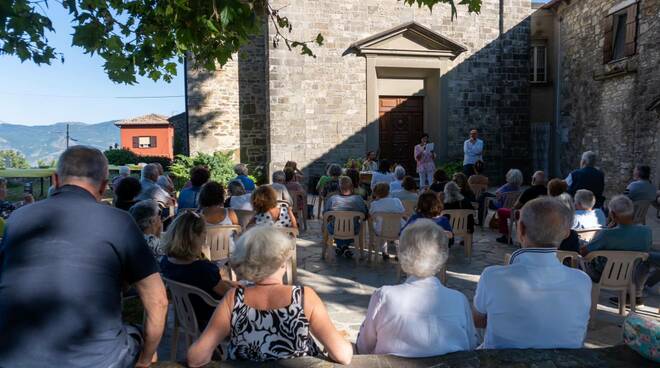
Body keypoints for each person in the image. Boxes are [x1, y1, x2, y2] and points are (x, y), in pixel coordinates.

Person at [0, 146, 167, 367]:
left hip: (15, 356)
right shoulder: (119, 221)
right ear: (105, 186)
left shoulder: (17, 219)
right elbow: (158, 301)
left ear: (56, 180)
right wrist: (145, 360)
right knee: (140, 341)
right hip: (96, 360)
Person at [187, 226, 353, 365]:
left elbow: (196, 358)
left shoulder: (234, 298)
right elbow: (343, 355)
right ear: (282, 261)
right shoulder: (303, 297)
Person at [474, 197, 592, 349]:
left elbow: (478, 320)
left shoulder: (492, 276)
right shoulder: (582, 281)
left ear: (521, 229)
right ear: (566, 233)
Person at [357, 219, 477, 357]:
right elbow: (471, 345)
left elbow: (364, 347)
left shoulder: (384, 296)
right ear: (442, 257)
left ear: (402, 255)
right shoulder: (459, 300)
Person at [160, 212, 239, 330]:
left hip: (185, 315)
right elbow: (229, 294)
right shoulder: (203, 269)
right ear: (194, 237)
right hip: (211, 320)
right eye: (204, 233)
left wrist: (233, 284)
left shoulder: (166, 262)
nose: (204, 238)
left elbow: (215, 284)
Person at [580, 195, 652, 306]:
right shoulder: (646, 232)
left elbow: (584, 252)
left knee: (578, 260)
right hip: (631, 275)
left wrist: (607, 229)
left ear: (613, 215)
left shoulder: (607, 235)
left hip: (602, 275)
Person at [495, 171, 546, 244]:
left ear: (534, 180)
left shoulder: (529, 191)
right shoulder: (548, 191)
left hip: (526, 216)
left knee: (501, 211)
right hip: (543, 217)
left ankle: (505, 237)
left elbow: (516, 206)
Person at [324, 176, 368, 257]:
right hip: (353, 229)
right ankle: (344, 247)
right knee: (355, 226)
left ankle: (341, 246)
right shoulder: (358, 199)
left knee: (333, 225)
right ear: (351, 187)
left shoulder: (333, 199)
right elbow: (364, 215)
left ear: (339, 188)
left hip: (335, 229)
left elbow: (326, 214)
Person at [369, 183, 405, 260]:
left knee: (380, 224)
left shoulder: (374, 204)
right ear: (389, 191)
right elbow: (402, 212)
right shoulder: (396, 201)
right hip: (397, 229)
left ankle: (384, 251)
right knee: (397, 228)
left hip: (381, 230)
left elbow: (371, 215)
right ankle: (398, 253)